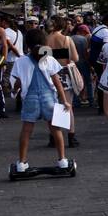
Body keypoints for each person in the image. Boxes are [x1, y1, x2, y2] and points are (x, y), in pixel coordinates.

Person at [10, 29, 72, 174]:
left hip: (30, 100)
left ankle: (22, 163)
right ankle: (62, 160)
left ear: (28, 44)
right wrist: (64, 101)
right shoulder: (49, 59)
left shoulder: (21, 61)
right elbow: (57, 82)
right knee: (55, 129)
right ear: (44, 42)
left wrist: (14, 91)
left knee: (26, 131)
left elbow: (17, 83)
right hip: (48, 98)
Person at [44, 16, 81, 148]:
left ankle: (53, 137)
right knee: (67, 106)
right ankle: (71, 137)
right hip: (65, 74)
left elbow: (43, 60)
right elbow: (75, 58)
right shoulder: (67, 39)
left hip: (49, 75)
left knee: (54, 107)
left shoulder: (45, 40)